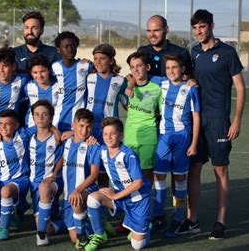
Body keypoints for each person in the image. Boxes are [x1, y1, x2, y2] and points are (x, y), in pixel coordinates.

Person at [177, 9, 245, 240]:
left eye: (202, 27)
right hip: (196, 119)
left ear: (211, 26)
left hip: (218, 120)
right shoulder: (194, 52)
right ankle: (192, 219)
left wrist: (236, 120)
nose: (198, 31)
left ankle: (220, 222)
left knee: (220, 169)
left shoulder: (227, 53)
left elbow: (241, 88)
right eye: (195, 27)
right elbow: (191, 79)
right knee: (193, 168)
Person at [150, 55, 200, 236]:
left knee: (180, 180)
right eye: (168, 67)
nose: (171, 71)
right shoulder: (161, 83)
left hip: (182, 138)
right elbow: (136, 75)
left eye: (175, 67)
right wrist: (131, 84)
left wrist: (194, 143)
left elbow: (196, 117)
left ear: (183, 70)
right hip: (163, 137)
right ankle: (159, 217)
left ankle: (178, 219)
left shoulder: (190, 89)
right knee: (159, 177)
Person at [85, 117, 151, 251]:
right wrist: (84, 137)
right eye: (105, 134)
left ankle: (145, 227)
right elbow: (84, 137)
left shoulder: (129, 155)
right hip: (120, 197)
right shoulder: (102, 150)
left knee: (137, 246)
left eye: (112, 133)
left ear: (121, 135)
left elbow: (138, 183)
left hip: (138, 201)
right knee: (92, 198)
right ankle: (99, 234)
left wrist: (116, 196)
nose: (108, 137)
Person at [0, 110, 31, 241]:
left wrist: (57, 131)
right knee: (1, 214)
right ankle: (18, 207)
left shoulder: (23, 135)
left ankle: (3, 230)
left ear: (16, 125)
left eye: (7, 124)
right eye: (0, 124)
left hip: (20, 180)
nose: (3, 127)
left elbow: (43, 127)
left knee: (6, 192)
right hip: (0, 182)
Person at [61, 108, 100, 249]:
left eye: (88, 126)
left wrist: (77, 190)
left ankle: (89, 233)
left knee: (76, 200)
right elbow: (61, 160)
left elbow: (94, 174)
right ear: (73, 125)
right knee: (71, 237)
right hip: (67, 195)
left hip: (86, 189)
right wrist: (53, 176)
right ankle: (97, 222)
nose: (85, 130)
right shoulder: (66, 142)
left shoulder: (93, 145)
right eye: (81, 126)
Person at [29, 100, 65, 246]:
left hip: (53, 181)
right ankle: (70, 222)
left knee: (44, 188)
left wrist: (55, 173)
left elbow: (62, 157)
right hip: (33, 183)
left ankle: (41, 235)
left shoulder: (58, 138)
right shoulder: (28, 136)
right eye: (37, 114)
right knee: (47, 225)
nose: (41, 118)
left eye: (45, 114)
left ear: (51, 118)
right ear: (32, 117)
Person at [124, 51, 162, 182]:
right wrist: (130, 84)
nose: (135, 69)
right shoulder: (127, 85)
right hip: (130, 136)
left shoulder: (157, 88)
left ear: (147, 67)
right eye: (132, 67)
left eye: (139, 66)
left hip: (148, 137)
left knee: (146, 171)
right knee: (129, 171)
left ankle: (146, 199)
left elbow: (161, 111)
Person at [86, 43, 128, 143]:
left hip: (110, 130)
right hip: (90, 128)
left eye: (102, 58)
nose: (98, 62)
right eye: (95, 58)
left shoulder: (120, 81)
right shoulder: (88, 78)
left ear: (111, 61)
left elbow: (128, 106)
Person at [52, 31, 93, 132]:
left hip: (80, 121)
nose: (70, 49)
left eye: (73, 46)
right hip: (59, 120)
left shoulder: (86, 66)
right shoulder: (54, 68)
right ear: (58, 49)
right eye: (66, 47)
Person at [24, 54, 59, 128]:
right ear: (31, 73)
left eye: (42, 71)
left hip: (53, 128)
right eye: (35, 72)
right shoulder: (28, 87)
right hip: (32, 128)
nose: (39, 76)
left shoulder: (58, 87)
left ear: (49, 70)